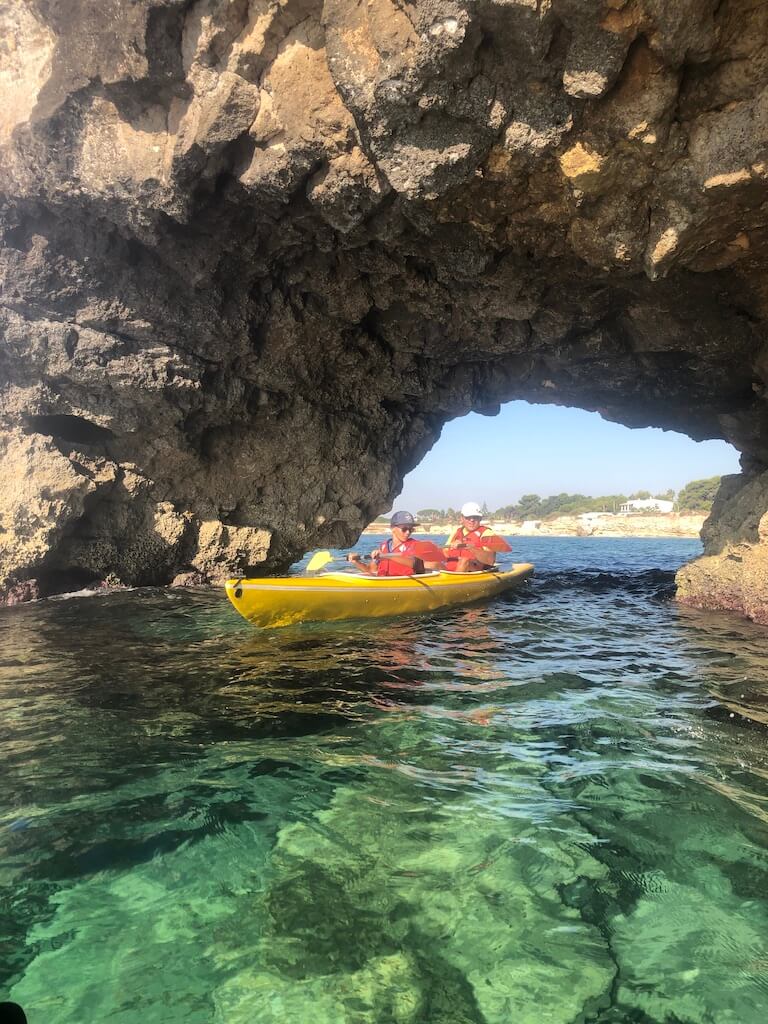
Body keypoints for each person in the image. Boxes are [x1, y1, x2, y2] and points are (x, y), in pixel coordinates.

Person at [347, 511, 444, 576]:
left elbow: (419, 564)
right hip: (385, 584)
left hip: (405, 585)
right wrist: (356, 562)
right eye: (404, 529)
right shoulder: (384, 546)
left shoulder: (416, 545)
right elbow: (371, 570)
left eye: (411, 529)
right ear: (393, 529)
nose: (408, 532)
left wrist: (388, 556)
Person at [443, 502, 511, 572]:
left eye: (475, 517)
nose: (472, 520)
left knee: (464, 560)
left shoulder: (487, 533)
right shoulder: (456, 531)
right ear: (462, 518)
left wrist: (468, 547)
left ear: (480, 518)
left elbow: (490, 560)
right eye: (468, 517)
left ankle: (454, 581)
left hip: (473, 570)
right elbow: (444, 554)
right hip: (450, 571)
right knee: (432, 562)